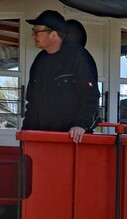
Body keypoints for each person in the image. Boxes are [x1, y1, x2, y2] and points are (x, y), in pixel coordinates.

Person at [20, 10, 99, 143]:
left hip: (71, 140)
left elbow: (90, 95)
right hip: (42, 139)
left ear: (53, 34)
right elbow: (32, 101)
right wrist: (26, 131)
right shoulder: (40, 60)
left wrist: (81, 125)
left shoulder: (78, 57)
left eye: (37, 31)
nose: (33, 35)